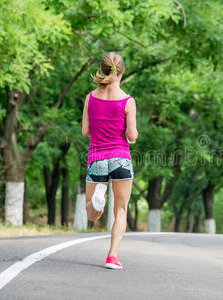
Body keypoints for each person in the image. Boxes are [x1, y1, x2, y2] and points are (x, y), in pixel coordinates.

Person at [81, 52, 138, 270]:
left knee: (92, 215)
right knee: (121, 211)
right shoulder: (127, 100)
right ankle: (112, 256)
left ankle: (98, 198)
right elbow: (132, 135)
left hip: (97, 158)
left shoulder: (90, 97)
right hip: (121, 159)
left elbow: (85, 131)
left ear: (103, 70)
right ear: (121, 71)